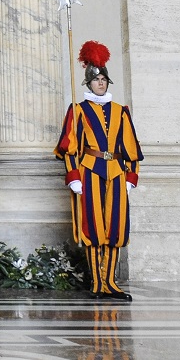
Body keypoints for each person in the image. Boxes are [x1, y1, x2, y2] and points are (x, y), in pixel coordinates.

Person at [55, 40, 143, 302]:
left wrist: (130, 177)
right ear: (89, 84)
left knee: (115, 228)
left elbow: (132, 148)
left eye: (104, 79)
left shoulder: (121, 112)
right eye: (96, 80)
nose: (101, 83)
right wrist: (74, 177)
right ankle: (97, 282)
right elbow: (69, 148)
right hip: (90, 171)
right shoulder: (78, 111)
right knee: (94, 227)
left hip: (116, 172)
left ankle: (111, 283)